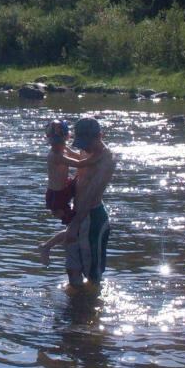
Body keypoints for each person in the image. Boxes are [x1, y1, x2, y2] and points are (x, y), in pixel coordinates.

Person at [62, 118, 115, 291]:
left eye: (87, 144)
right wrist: (61, 149)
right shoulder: (87, 151)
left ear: (100, 136)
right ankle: (75, 308)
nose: (83, 148)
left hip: (92, 218)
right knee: (73, 269)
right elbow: (80, 161)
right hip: (78, 214)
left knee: (93, 275)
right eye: (81, 143)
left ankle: (92, 308)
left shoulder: (106, 161)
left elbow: (91, 195)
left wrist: (74, 224)